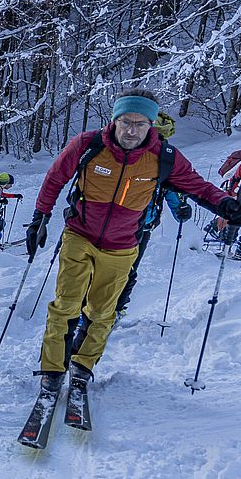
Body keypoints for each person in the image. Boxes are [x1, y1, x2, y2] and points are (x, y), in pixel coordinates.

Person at [25, 89, 241, 398]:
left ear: (151, 124)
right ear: (115, 120)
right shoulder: (87, 146)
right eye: (126, 122)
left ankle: (82, 365)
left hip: (122, 245)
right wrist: (40, 217)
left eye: (140, 124)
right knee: (66, 304)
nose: (131, 130)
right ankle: (52, 370)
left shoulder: (164, 158)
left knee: (103, 311)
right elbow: (54, 179)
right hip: (79, 235)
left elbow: (197, 186)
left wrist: (226, 205)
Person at [62, 111, 193, 359]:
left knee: (121, 271)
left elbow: (172, 190)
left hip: (139, 226)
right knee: (110, 270)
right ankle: (96, 311)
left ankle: (108, 310)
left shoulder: (162, 162)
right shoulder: (130, 155)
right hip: (130, 226)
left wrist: (180, 210)